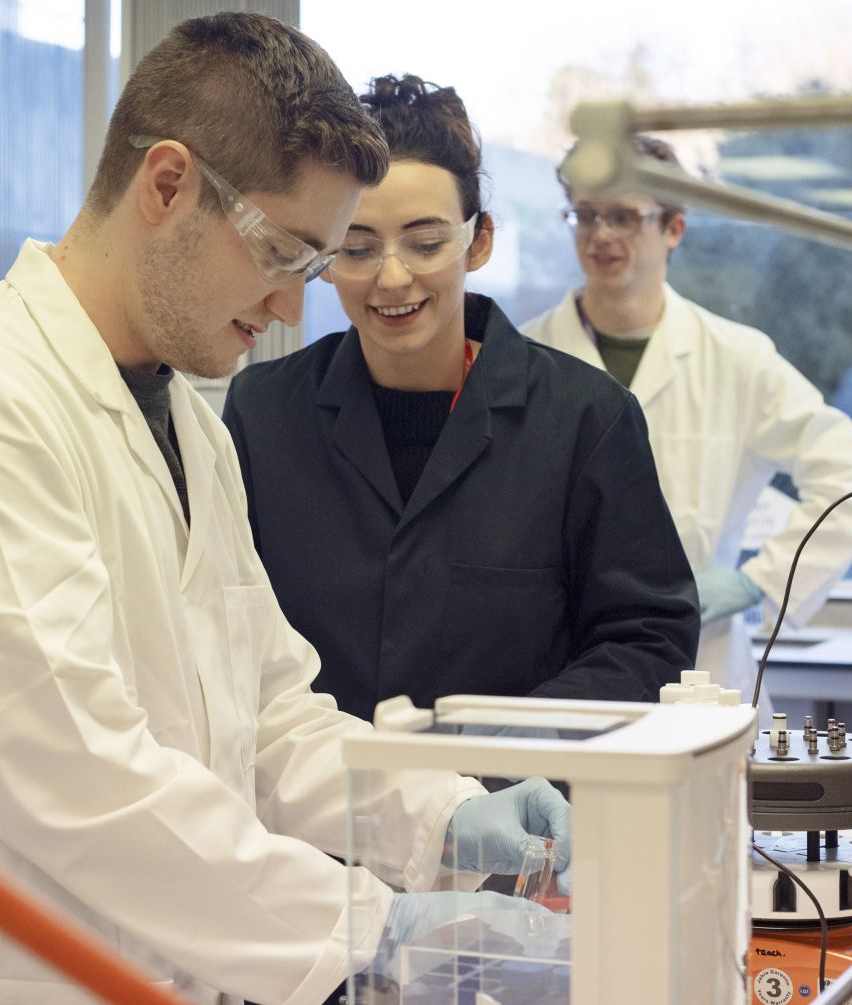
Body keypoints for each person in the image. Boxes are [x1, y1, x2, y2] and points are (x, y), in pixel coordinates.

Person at [0, 17, 565, 1005]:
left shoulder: (189, 419)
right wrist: (368, 923)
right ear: (168, 184)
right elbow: (74, 774)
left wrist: (439, 818)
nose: (290, 309)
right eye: (284, 253)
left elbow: (267, 721)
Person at [221, 76, 697, 729]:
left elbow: (649, 642)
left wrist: (504, 743)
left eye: (425, 242)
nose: (393, 277)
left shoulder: (586, 421)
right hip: (307, 821)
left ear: (479, 242)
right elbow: (222, 633)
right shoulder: (263, 415)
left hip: (513, 810)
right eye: (358, 247)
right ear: (326, 255)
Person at [523, 135, 852, 715]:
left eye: (623, 216)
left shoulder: (736, 358)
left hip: (703, 676)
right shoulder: (525, 358)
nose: (600, 236)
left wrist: (758, 582)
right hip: (560, 670)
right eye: (585, 215)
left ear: (674, 228)